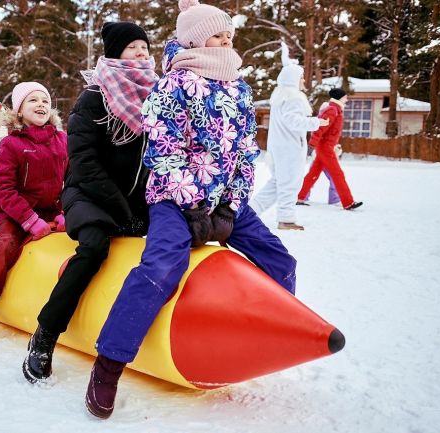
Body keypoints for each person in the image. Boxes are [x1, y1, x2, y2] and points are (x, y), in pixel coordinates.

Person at [84, 1, 297, 419]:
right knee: (160, 268)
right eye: (218, 35)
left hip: (223, 201)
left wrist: (231, 206)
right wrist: (194, 204)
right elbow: (162, 152)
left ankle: (273, 336)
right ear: (196, 39)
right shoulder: (173, 85)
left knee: (280, 259)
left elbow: (245, 153)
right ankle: (109, 364)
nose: (227, 40)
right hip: (174, 199)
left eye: (228, 34)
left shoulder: (240, 87)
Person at [22, 22, 158, 383]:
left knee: (171, 239)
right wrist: (123, 211)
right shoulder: (94, 98)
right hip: (88, 193)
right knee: (95, 247)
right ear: (115, 53)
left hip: (134, 199)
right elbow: (84, 162)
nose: (142, 52)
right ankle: (45, 334)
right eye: (132, 47)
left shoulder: (156, 97)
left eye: (144, 46)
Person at [0, 82, 68, 344]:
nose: (41, 105)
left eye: (45, 100)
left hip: (53, 210)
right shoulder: (12, 143)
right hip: (16, 211)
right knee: (5, 245)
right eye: (33, 100)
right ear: (19, 111)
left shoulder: (62, 140)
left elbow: (74, 179)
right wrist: (28, 219)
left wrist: (67, 210)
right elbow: (1, 187)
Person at [248, 43, 328, 230]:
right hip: (289, 149)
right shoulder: (293, 97)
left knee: (278, 184)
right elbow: (293, 121)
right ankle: (286, 219)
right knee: (289, 184)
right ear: (293, 79)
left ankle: (249, 213)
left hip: (281, 147)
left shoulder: (282, 95)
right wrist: (316, 122)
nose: (303, 81)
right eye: (301, 78)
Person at [297, 88, 362, 210]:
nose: (347, 99)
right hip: (325, 147)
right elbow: (320, 128)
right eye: (345, 97)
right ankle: (348, 202)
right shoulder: (332, 110)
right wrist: (312, 144)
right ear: (339, 97)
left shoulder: (336, 110)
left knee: (313, 174)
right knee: (337, 174)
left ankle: (299, 197)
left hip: (327, 146)